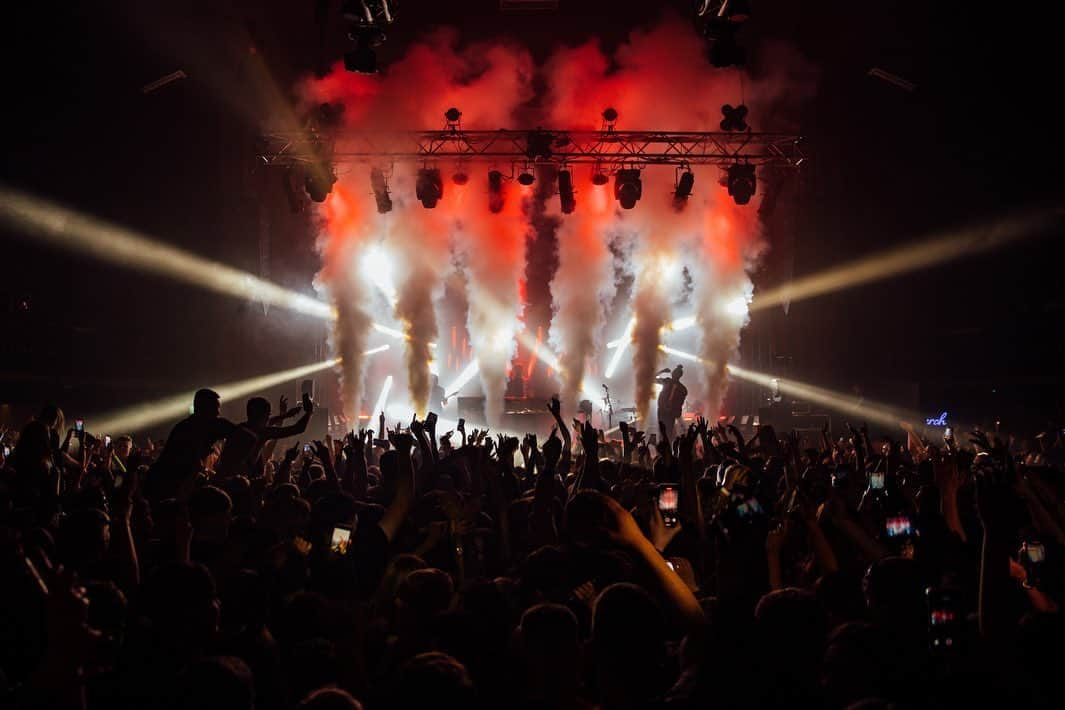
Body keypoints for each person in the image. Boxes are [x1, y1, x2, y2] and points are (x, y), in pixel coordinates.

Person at [144, 389, 236, 500]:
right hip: (164, 486)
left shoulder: (186, 426)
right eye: (215, 408)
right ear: (203, 409)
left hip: (166, 483)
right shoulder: (189, 430)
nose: (218, 413)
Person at [214, 394, 313, 478]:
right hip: (241, 481)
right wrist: (309, 412)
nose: (269, 417)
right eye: (268, 414)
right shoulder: (262, 432)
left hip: (223, 477)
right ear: (263, 415)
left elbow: (269, 421)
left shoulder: (241, 427)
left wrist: (285, 415)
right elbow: (298, 428)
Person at [655, 364, 687, 437]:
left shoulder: (667, 382)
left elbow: (651, 378)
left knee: (664, 432)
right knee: (666, 432)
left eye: (674, 372)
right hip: (667, 412)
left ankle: (665, 445)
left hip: (666, 412)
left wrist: (662, 371)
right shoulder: (682, 388)